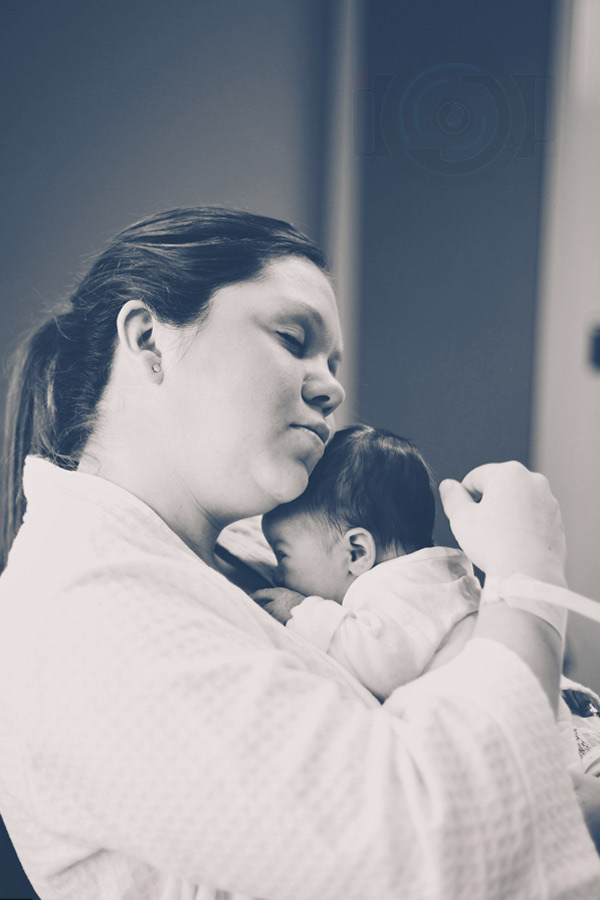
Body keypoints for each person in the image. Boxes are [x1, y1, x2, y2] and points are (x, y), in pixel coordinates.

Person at [0, 206, 598, 900]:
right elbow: (420, 849)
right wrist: (528, 583)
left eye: (334, 363)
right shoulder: (84, 614)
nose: (331, 386)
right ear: (148, 340)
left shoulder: (228, 564)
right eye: (294, 338)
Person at [256, 424, 481, 699]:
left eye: (282, 555)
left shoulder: (398, 588)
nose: (278, 575)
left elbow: (381, 666)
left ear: (356, 553)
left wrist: (300, 611)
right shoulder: (429, 582)